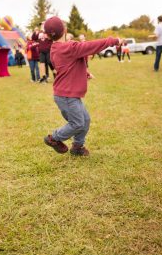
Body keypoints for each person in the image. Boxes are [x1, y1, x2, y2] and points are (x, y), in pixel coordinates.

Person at [43, 16, 121, 156]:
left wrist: (85, 72)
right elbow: (91, 46)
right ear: (65, 30)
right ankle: (53, 138)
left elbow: (68, 66)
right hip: (66, 96)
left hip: (67, 94)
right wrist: (113, 41)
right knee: (77, 123)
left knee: (85, 120)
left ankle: (77, 147)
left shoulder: (56, 48)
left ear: (47, 35)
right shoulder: (70, 47)